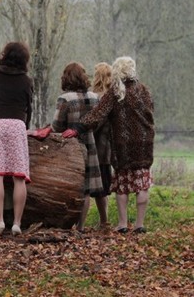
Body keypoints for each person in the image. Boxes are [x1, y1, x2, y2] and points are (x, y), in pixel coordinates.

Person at [63, 56, 154, 234]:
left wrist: (79, 127)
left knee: (123, 183)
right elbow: (151, 113)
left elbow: (98, 113)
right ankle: (139, 224)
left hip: (123, 144)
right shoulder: (144, 90)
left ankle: (122, 224)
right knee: (142, 183)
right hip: (145, 141)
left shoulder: (116, 91)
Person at [0, 42, 33, 236]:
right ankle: (17, 223)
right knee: (19, 176)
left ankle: (0, 220)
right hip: (18, 124)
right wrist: (24, 127)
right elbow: (29, 107)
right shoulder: (27, 81)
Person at [46, 62, 105, 232]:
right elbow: (97, 122)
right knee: (85, 189)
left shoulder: (65, 99)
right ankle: (81, 226)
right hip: (90, 143)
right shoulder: (95, 98)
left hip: (69, 148)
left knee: (71, 186)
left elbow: (56, 126)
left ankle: (66, 224)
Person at [91, 62, 113, 228]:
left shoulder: (96, 97)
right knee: (102, 190)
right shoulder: (112, 97)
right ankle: (104, 221)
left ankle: (104, 222)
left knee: (97, 190)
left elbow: (94, 124)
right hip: (106, 149)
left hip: (97, 148)